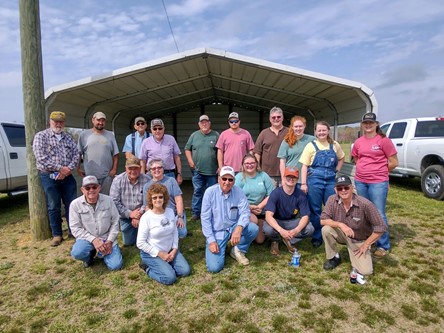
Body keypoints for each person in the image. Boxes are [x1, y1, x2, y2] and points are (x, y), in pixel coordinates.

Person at [320, 175, 387, 285]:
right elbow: (323, 220)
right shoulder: (332, 199)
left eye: (346, 188)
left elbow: (381, 227)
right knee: (326, 229)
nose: (343, 191)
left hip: (359, 239)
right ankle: (334, 257)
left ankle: (358, 256)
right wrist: (340, 224)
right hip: (342, 234)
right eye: (339, 188)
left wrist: (366, 245)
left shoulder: (365, 204)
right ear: (335, 190)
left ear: (352, 188)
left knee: (366, 271)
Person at [351, 112, 398, 258]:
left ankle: (383, 245)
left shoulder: (384, 141)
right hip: (361, 181)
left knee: (378, 213)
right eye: (366, 123)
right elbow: (356, 158)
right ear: (362, 125)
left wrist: (380, 172)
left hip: (378, 182)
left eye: (371, 123)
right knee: (365, 212)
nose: (368, 125)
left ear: (376, 124)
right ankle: (368, 240)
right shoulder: (359, 141)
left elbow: (394, 162)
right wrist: (363, 169)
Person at [32, 111, 80, 246]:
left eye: (61, 121)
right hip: (49, 175)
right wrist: (60, 168)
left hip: (68, 176)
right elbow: (40, 157)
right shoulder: (41, 136)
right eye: (56, 121)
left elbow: (76, 155)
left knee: (72, 204)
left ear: (64, 123)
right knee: (53, 205)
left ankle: (74, 231)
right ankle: (57, 234)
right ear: (50, 121)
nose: (58, 124)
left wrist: (68, 169)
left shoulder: (68, 137)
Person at [201, 166, 259, 273]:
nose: (227, 182)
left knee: (253, 228)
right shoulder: (209, 192)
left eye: (230, 179)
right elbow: (205, 219)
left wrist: (239, 228)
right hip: (217, 232)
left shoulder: (239, 192)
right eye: (224, 179)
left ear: (234, 181)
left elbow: (245, 212)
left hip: (233, 227)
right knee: (214, 268)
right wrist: (211, 240)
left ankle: (238, 249)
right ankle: (222, 245)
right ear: (218, 179)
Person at [299, 121, 345, 248]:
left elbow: (341, 158)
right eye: (319, 130)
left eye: (324, 130)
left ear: (328, 131)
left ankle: (332, 234)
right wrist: (303, 183)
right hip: (314, 180)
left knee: (332, 207)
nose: (321, 132)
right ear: (315, 132)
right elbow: (304, 166)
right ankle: (317, 236)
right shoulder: (310, 146)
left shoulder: (334, 145)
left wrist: (337, 170)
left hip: (331, 180)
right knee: (316, 209)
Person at [137, 183, 191, 285]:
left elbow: (175, 232)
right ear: (150, 200)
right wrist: (160, 254)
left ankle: (166, 264)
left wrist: (174, 249)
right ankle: (147, 267)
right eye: (154, 198)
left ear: (164, 198)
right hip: (152, 254)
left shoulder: (170, 212)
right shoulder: (146, 217)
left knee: (185, 271)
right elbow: (140, 243)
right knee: (170, 278)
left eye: (160, 197)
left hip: (170, 250)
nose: (158, 200)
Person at [70, 176, 123, 270]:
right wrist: (94, 240)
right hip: (87, 239)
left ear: (99, 188)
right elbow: (75, 228)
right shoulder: (75, 204)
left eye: (94, 187)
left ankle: (103, 253)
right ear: (82, 189)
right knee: (77, 253)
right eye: (87, 188)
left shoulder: (109, 200)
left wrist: (110, 241)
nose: (91, 190)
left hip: (106, 238)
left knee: (116, 266)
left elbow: (115, 221)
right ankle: (89, 257)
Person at [264, 167, 314, 255]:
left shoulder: (301, 195)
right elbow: (268, 216)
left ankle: (289, 239)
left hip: (292, 222)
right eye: (288, 176)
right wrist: (280, 230)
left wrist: (296, 230)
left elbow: (305, 216)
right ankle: (275, 241)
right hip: (277, 221)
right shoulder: (275, 193)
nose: (291, 179)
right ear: (283, 177)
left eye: (293, 177)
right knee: (268, 229)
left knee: (310, 229)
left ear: (297, 179)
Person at [184, 115, 220, 221]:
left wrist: (220, 166)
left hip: (212, 171)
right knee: (197, 191)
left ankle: (212, 213)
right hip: (197, 170)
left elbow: (221, 151)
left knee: (212, 193)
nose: (204, 124)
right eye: (202, 122)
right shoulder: (194, 135)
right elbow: (187, 149)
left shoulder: (216, 135)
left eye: (206, 122)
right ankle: (196, 213)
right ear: (199, 124)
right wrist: (191, 162)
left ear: (210, 123)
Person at [235, 153, 275, 244]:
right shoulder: (239, 178)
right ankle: (243, 232)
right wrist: (250, 207)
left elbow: (271, 194)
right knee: (254, 220)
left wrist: (260, 206)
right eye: (247, 164)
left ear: (256, 164)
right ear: (243, 165)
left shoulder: (263, 175)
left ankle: (259, 226)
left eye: (252, 163)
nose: (250, 165)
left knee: (260, 241)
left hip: (261, 209)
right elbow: (235, 198)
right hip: (245, 209)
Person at [110, 156, 149, 247]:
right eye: (130, 168)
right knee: (128, 242)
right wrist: (130, 214)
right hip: (125, 216)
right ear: (125, 169)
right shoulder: (117, 180)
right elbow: (114, 202)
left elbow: (148, 201)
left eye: (136, 168)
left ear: (140, 168)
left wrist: (139, 214)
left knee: (146, 238)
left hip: (143, 215)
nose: (133, 171)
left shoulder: (147, 180)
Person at [142, 159, 187, 238]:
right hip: (157, 215)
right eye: (153, 168)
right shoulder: (146, 186)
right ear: (150, 171)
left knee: (181, 233)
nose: (157, 170)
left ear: (163, 169)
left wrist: (180, 217)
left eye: (159, 167)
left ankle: (175, 246)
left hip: (174, 214)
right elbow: (148, 206)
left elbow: (179, 200)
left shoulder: (171, 181)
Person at [77, 111, 119, 195]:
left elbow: (115, 154)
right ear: (93, 120)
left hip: (107, 176)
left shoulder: (110, 135)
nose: (100, 123)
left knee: (106, 198)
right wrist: (78, 168)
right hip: (89, 175)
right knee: (90, 198)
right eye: (98, 120)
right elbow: (78, 153)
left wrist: (114, 169)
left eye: (103, 120)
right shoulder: (84, 135)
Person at [139, 118, 183, 185]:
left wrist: (179, 174)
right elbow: (143, 161)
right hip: (152, 174)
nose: (157, 131)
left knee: (170, 195)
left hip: (169, 174)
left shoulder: (171, 139)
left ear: (164, 129)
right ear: (151, 130)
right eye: (155, 129)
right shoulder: (146, 142)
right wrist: (143, 176)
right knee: (152, 195)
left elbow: (177, 157)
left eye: (160, 128)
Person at [254, 106, 289, 186]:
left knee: (284, 197)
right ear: (270, 119)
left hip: (286, 173)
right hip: (267, 174)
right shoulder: (264, 133)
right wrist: (257, 168)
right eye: (273, 117)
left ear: (282, 118)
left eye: (278, 117)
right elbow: (257, 152)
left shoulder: (289, 132)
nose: (276, 119)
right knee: (270, 197)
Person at [278, 115, 315, 187]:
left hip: (308, 178)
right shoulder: (286, 141)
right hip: (291, 178)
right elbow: (282, 162)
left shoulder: (312, 140)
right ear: (292, 127)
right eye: (296, 126)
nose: (298, 128)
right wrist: (283, 179)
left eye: (300, 126)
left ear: (304, 126)